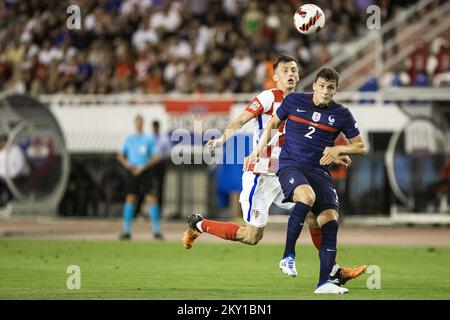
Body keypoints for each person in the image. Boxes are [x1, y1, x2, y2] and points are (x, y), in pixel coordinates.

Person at [183, 55, 365, 286]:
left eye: (294, 70)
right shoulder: (269, 97)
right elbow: (240, 121)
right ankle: (198, 224)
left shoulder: (306, 101)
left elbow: (312, 140)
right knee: (251, 237)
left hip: (288, 172)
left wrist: (337, 152)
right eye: (285, 70)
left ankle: (332, 271)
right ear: (276, 76)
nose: (290, 74)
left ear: (299, 76)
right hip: (261, 173)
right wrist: (220, 140)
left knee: (313, 214)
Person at [245, 67, 366, 294]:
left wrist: (338, 149)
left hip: (319, 171)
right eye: (322, 86)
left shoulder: (342, 114)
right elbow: (272, 125)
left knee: (330, 221)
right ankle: (288, 255)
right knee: (307, 197)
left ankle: (323, 283)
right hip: (291, 165)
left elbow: (360, 146)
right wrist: (256, 152)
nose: (325, 91)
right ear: (314, 86)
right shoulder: (293, 102)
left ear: (336, 90)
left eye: (330, 88)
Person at [117, 114, 162, 240]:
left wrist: (144, 166)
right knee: (130, 198)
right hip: (132, 172)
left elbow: (155, 157)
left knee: (151, 199)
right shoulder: (129, 139)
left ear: (143, 123)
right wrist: (128, 165)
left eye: (141, 122)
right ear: (134, 123)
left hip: (145, 171)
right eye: (137, 122)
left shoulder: (148, 139)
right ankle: (126, 231)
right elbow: (120, 155)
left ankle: (156, 231)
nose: (139, 124)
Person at [0, 134, 30, 207]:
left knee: (8, 183)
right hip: (3, 177)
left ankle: (10, 201)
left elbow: (19, 167)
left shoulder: (16, 150)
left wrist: (7, 177)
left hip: (19, 175)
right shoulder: (1, 152)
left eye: (2, 142)